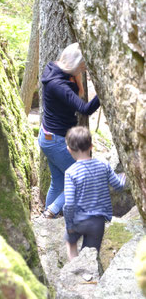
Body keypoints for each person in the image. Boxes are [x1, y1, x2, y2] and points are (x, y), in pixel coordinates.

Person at [38, 42, 100, 218]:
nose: (83, 71)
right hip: (56, 141)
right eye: (81, 68)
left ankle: (47, 219)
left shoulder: (53, 69)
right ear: (74, 66)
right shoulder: (59, 85)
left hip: (48, 138)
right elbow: (85, 109)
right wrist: (102, 92)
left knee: (58, 183)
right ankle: (51, 211)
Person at [63, 126, 126, 260]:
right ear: (91, 146)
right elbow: (119, 186)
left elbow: (69, 204)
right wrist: (125, 175)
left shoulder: (70, 173)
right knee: (90, 256)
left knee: (71, 243)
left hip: (78, 221)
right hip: (97, 222)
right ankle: (88, 276)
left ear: (69, 149)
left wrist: (69, 224)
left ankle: (74, 269)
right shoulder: (104, 165)